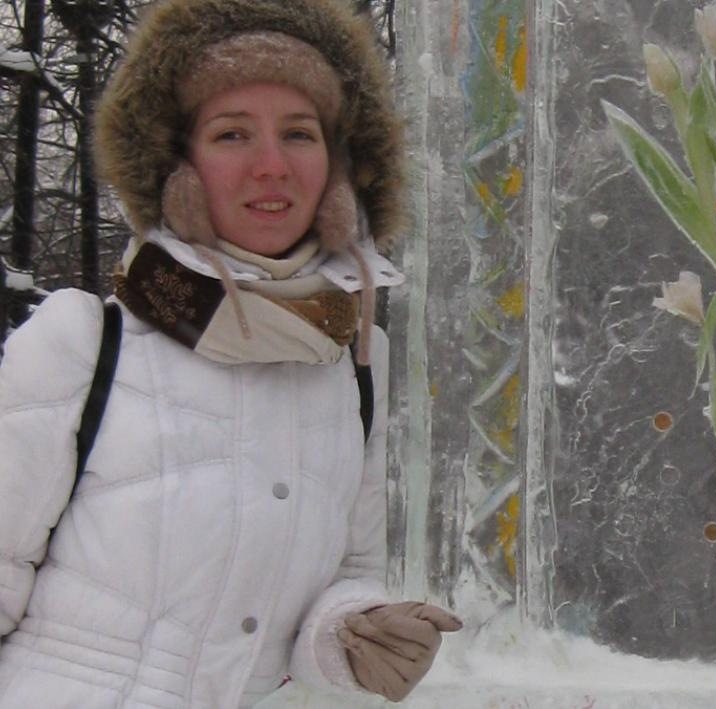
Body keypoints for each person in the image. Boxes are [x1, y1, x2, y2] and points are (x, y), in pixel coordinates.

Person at [0, 0, 461, 706]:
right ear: (177, 167)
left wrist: (353, 633)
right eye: (232, 133)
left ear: (340, 171)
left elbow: (345, 572)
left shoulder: (356, 364)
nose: (271, 166)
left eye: (299, 134)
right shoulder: (83, 343)